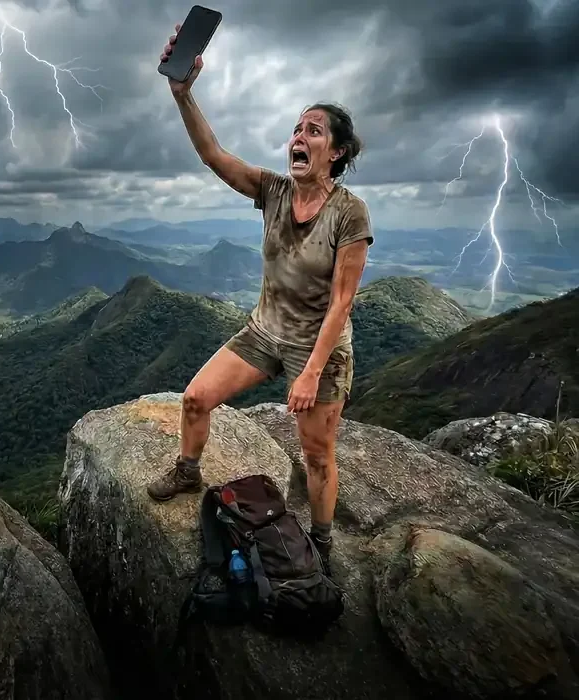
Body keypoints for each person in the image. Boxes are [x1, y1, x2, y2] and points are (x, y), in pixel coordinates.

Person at [146, 24, 372, 576]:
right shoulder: (272, 191)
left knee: (317, 455)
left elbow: (342, 302)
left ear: (336, 152)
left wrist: (310, 373)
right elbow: (212, 154)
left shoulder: (350, 213)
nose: (300, 136)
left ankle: (321, 541)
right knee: (196, 399)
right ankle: (188, 469)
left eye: (314, 130)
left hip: (319, 348)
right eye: (296, 128)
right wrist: (183, 93)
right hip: (264, 331)